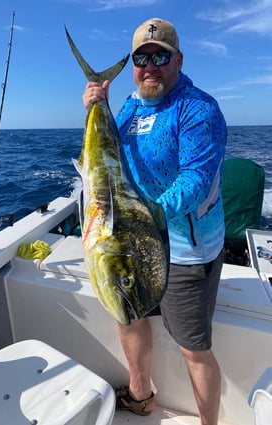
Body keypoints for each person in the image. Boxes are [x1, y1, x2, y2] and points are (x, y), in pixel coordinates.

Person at [82, 17, 227, 425]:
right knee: (129, 315)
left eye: (160, 56)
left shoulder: (198, 109)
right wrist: (95, 109)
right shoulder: (126, 107)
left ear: (178, 59)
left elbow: (196, 180)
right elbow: (105, 165)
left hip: (185, 250)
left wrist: (143, 219)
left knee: (193, 348)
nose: (151, 66)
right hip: (130, 241)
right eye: (142, 58)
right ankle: (141, 394)